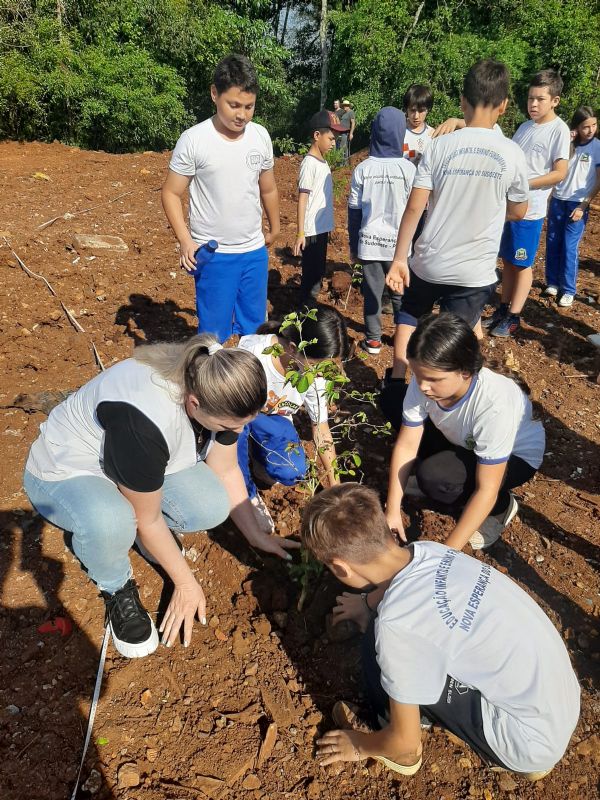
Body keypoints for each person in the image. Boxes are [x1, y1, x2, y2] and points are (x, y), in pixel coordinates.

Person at [23, 337, 298, 659]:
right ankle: (116, 587)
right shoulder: (145, 420)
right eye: (227, 426)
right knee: (114, 521)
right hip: (69, 470)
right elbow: (148, 519)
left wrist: (256, 536)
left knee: (209, 505)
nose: (234, 430)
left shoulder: (218, 376)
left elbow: (224, 470)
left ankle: (139, 520)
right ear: (194, 404)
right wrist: (185, 583)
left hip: (134, 462)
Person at [304, 483, 580, 780]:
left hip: (525, 741)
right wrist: (367, 603)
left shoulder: (397, 625)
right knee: (390, 633)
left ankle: (395, 726)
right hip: (560, 699)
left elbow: (406, 745)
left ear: (341, 568)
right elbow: (401, 588)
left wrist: (359, 745)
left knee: (377, 648)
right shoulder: (429, 551)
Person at [386, 59, 529, 381]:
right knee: (459, 336)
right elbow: (519, 211)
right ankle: (460, 390)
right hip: (474, 271)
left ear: (462, 102)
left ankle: (397, 381)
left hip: (429, 262)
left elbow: (414, 207)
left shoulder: (439, 146)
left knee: (409, 315)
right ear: (504, 106)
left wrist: (399, 258)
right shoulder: (512, 153)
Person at [384, 312, 545, 551]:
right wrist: (392, 508)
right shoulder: (427, 382)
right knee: (392, 400)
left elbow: (487, 488)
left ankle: (501, 508)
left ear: (465, 372)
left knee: (435, 478)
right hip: (464, 439)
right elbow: (407, 444)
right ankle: (445, 472)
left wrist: (447, 554)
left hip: (515, 458)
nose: (423, 387)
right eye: (417, 376)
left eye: (433, 379)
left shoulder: (494, 404)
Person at [161, 54, 280, 343]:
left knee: (255, 330)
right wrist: (185, 240)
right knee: (213, 336)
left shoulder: (260, 136)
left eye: (249, 107)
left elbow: (268, 188)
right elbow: (171, 193)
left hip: (253, 252)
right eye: (234, 105)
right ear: (214, 94)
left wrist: (275, 227)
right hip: (214, 254)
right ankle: (211, 387)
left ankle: (252, 385)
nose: (242, 114)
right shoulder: (194, 140)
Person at [237, 304, 350, 518]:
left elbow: (321, 428)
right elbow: (228, 417)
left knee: (292, 470)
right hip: (235, 416)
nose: (322, 376)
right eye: (317, 367)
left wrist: (335, 485)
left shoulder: (316, 372)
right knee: (239, 433)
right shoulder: (252, 358)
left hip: (270, 421)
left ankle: (258, 456)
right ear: (291, 348)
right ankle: (245, 493)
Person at [487, 69, 570, 337]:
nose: (533, 104)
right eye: (530, 98)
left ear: (555, 101)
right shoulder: (524, 127)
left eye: (540, 99)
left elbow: (560, 172)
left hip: (530, 211)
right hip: (511, 207)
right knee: (508, 261)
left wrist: (524, 183)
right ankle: (502, 308)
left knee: (522, 264)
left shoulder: (558, 130)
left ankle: (514, 316)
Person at [348, 107, 416, 354]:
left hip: (369, 244)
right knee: (399, 295)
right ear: (401, 132)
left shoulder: (363, 169)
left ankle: (373, 339)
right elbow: (418, 210)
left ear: (375, 132)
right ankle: (403, 339)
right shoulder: (409, 170)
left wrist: (353, 246)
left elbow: (354, 211)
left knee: (372, 294)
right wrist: (415, 244)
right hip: (399, 247)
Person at [544, 106, 600, 307]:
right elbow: (554, 165)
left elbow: (598, 182)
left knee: (569, 246)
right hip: (558, 199)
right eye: (586, 126)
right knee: (553, 241)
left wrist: (584, 205)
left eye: (594, 125)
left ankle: (568, 289)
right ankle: (552, 282)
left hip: (578, 203)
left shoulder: (598, 148)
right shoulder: (566, 144)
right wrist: (567, 140)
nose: (591, 129)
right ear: (576, 127)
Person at [294, 110, 346, 305]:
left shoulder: (322, 162)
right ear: (317, 136)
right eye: (331, 138)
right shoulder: (309, 164)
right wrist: (300, 232)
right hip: (311, 232)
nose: (334, 143)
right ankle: (303, 317)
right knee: (311, 280)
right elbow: (303, 198)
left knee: (317, 274)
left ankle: (308, 312)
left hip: (321, 230)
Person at [402, 84, 434, 166]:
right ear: (406, 109)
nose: (416, 116)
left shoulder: (433, 135)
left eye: (421, 111)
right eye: (412, 110)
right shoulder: (399, 132)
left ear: (428, 110)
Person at [337, 99, 356, 164]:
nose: (344, 107)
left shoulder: (351, 112)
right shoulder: (343, 113)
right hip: (341, 132)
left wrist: (351, 134)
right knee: (344, 148)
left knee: (342, 147)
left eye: (346, 105)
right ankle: (345, 163)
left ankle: (343, 164)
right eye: (344, 105)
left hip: (346, 132)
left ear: (348, 106)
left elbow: (353, 123)